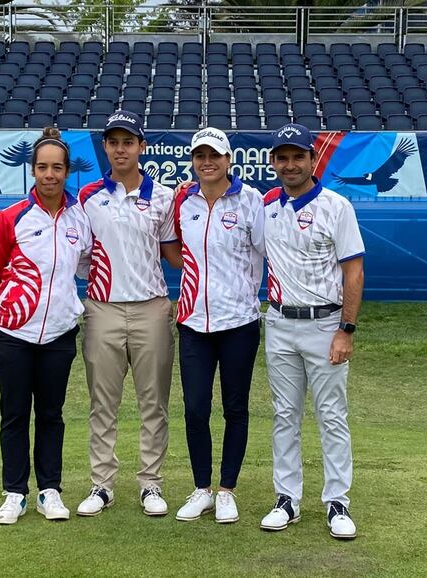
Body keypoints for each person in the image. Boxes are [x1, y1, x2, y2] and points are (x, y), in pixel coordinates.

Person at [0, 127, 92, 525]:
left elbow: (88, 264)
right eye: (42, 167)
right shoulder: (8, 219)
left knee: (52, 414)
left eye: (57, 167)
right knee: (14, 413)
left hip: (59, 333)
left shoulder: (81, 217)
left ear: (67, 171)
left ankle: (50, 491)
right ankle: (14, 493)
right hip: (12, 335)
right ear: (32, 170)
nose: (50, 175)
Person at [259, 123, 365, 540]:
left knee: (331, 416)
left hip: (326, 324)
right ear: (273, 162)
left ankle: (337, 501)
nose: (290, 165)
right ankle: (287, 498)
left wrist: (346, 330)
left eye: (297, 156)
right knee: (285, 415)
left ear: (311, 159)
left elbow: (353, 271)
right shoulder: (266, 205)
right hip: (280, 322)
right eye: (282, 158)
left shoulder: (336, 206)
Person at [76, 110, 181, 517]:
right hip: (101, 309)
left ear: (141, 147)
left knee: (153, 403)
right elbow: (80, 255)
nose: (121, 149)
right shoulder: (88, 197)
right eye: (113, 142)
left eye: (128, 142)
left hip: (152, 310)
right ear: (105, 146)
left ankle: (150, 484)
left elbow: (173, 254)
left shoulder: (164, 196)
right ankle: (101, 484)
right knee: (103, 403)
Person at [172, 127, 265, 524]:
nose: (206, 162)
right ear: (193, 160)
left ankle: (227, 489)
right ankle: (201, 489)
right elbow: (173, 248)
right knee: (195, 409)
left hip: (240, 321)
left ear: (229, 159)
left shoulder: (250, 200)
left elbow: (266, 252)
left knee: (235, 408)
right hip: (193, 321)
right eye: (199, 155)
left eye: (214, 155)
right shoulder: (184, 200)